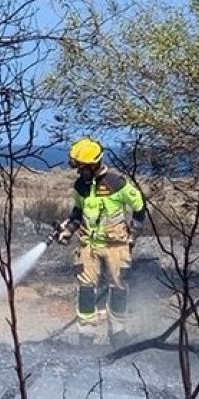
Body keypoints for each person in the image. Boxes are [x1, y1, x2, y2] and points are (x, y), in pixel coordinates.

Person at [53, 138, 146, 346]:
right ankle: (86, 336)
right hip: (88, 246)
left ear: (94, 164)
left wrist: (133, 235)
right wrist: (68, 230)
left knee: (118, 287)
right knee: (86, 289)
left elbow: (139, 206)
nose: (79, 171)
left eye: (82, 167)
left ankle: (118, 334)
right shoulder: (80, 186)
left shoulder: (116, 184)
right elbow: (78, 212)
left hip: (116, 246)